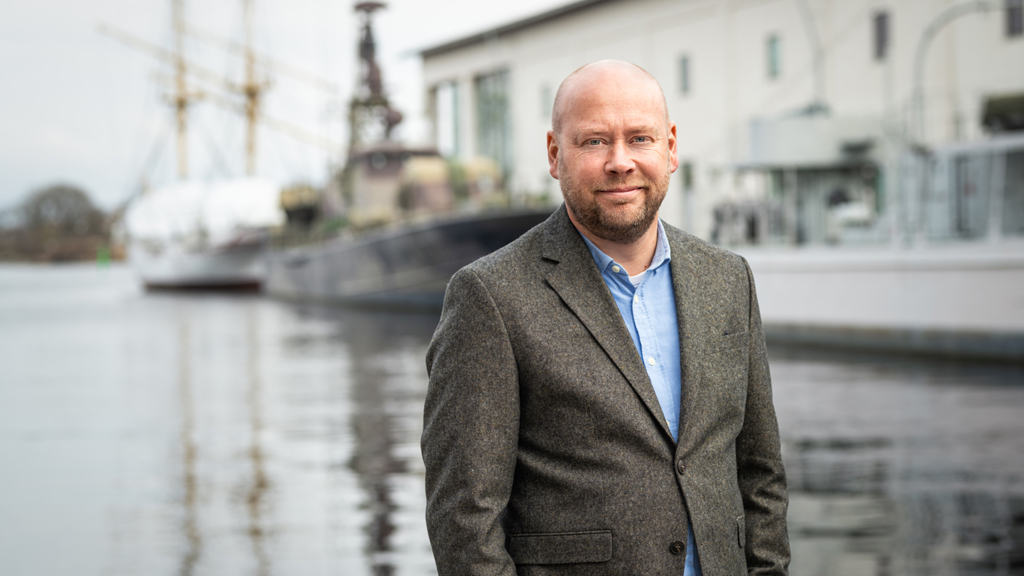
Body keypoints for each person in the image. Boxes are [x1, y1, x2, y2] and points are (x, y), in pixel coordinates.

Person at [421, 60, 789, 576]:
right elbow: (464, 519)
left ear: (671, 147)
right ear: (555, 154)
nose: (621, 162)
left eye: (640, 138)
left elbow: (761, 472)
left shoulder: (728, 279)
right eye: (594, 142)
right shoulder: (489, 296)